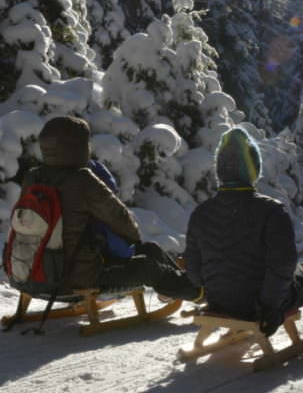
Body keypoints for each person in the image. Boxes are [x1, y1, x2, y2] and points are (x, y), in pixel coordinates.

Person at [183, 127, 303, 339]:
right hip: (260, 307)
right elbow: (282, 265)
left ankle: (236, 303)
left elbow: (194, 269)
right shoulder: (270, 210)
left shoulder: (201, 212)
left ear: (220, 171)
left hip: (218, 302)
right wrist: (270, 308)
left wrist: (214, 291)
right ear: (253, 169)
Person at [21, 116, 202, 301]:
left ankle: (180, 286)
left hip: (28, 272)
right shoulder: (82, 180)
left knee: (151, 250)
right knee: (148, 265)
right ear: (79, 147)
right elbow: (119, 218)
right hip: (75, 279)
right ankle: (198, 293)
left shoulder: (33, 177)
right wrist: (132, 240)